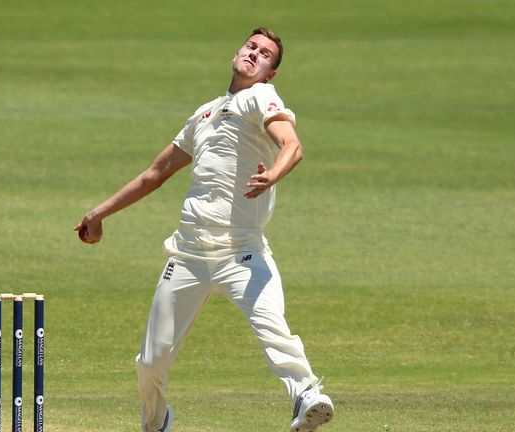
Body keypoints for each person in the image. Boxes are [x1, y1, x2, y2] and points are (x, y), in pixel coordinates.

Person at [75, 27, 334, 432]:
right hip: (189, 254)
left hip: (242, 251)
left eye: (264, 54)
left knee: (273, 327)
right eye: (251, 46)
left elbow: (292, 146)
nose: (254, 54)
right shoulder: (204, 113)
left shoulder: (259, 97)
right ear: (237, 50)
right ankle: (157, 423)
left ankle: (307, 396)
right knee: (150, 362)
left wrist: (273, 177)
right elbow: (155, 173)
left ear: (270, 74)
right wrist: (99, 214)